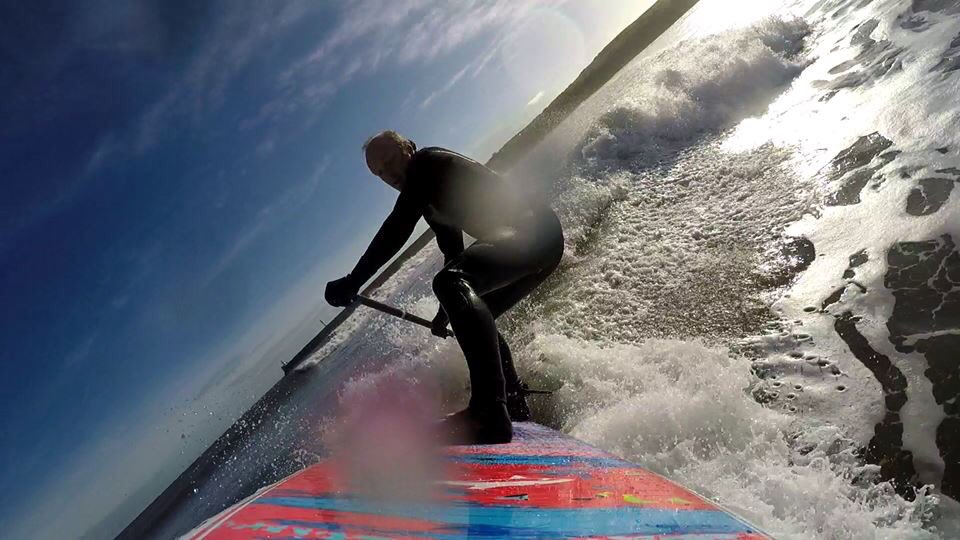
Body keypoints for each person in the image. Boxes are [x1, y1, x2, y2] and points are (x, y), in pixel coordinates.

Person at [325, 130, 563, 444]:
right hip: (533, 241)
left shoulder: (426, 162)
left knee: (450, 282)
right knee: (478, 306)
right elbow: (453, 250)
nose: (390, 174)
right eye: (380, 173)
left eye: (392, 161)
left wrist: (353, 280)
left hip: (534, 230)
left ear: (409, 147)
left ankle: (489, 410)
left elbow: (396, 227)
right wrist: (446, 311)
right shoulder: (430, 197)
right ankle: (512, 400)